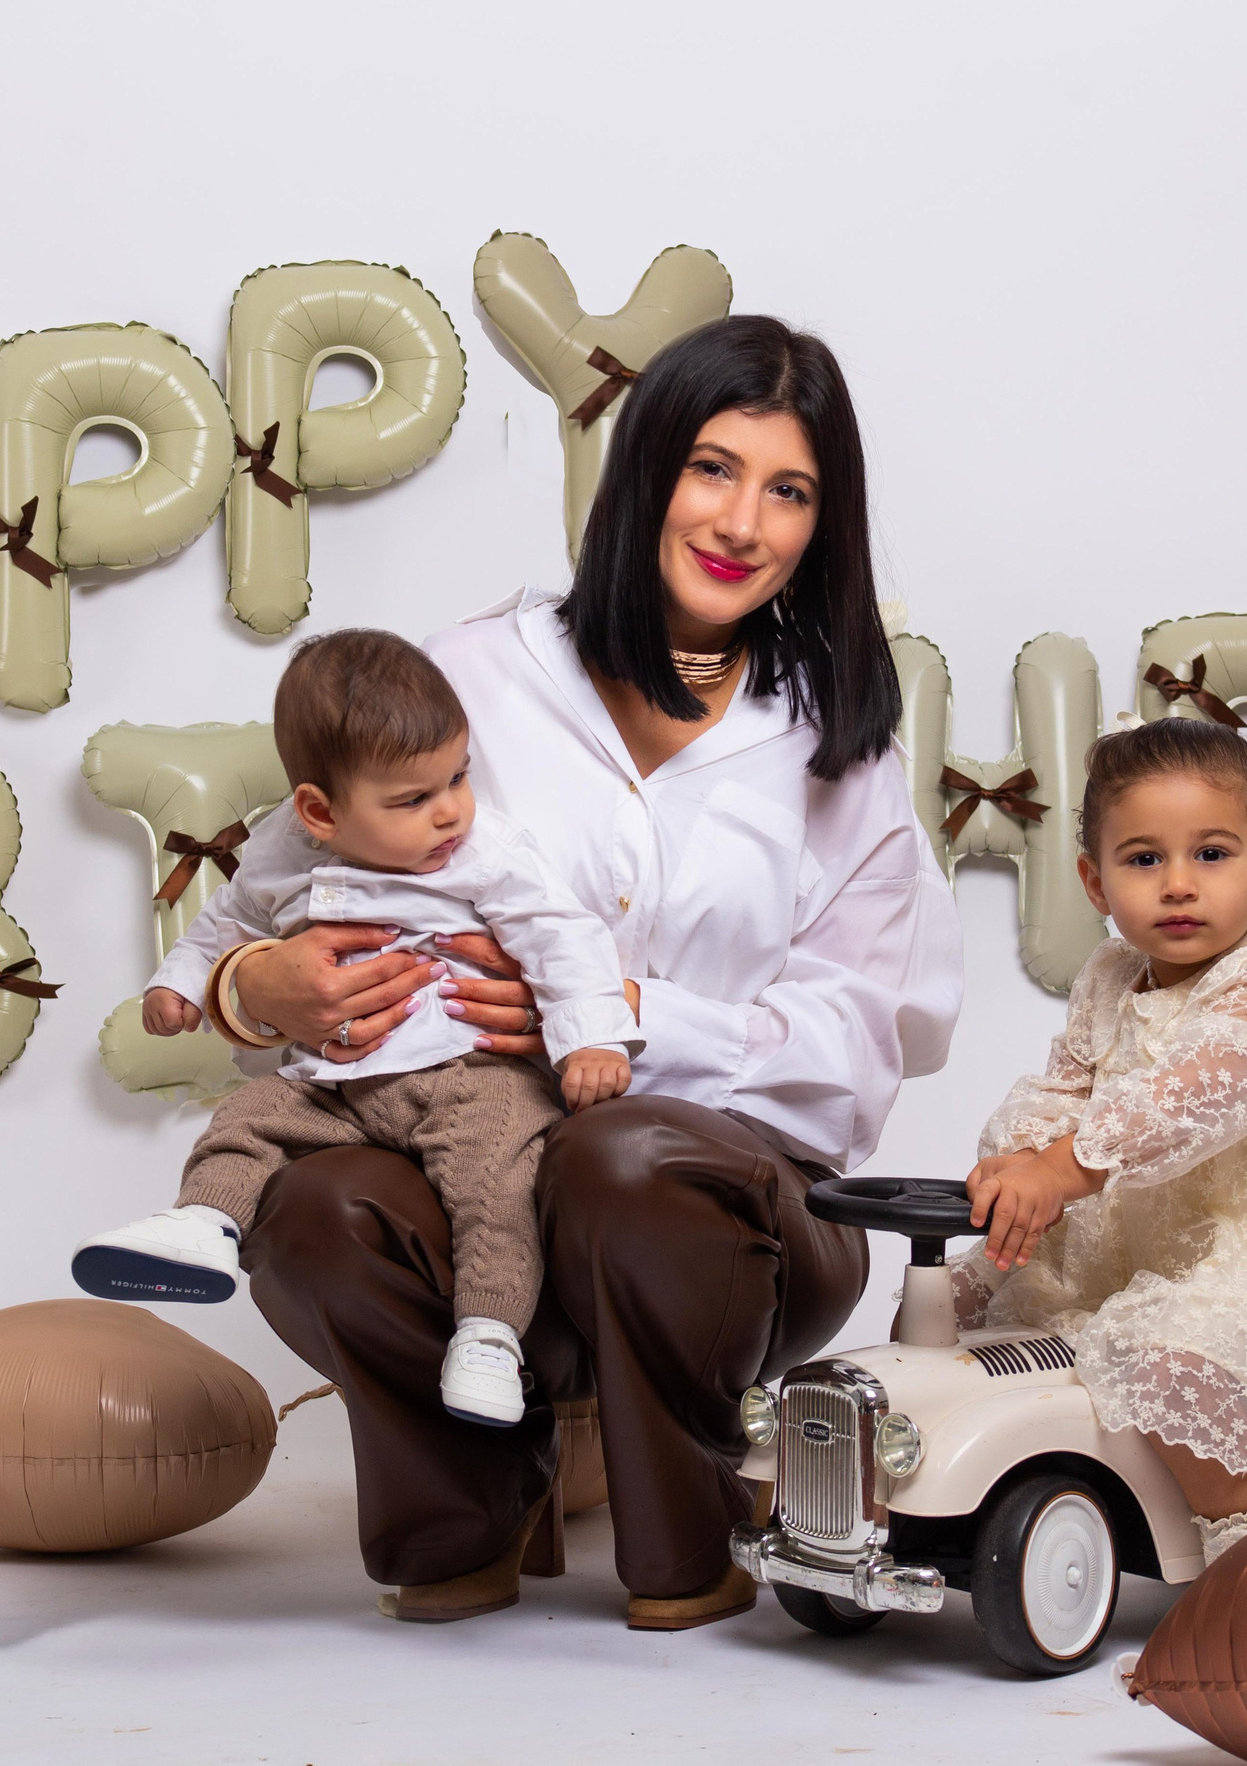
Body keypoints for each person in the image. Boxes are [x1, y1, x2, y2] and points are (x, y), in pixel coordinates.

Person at [211, 316, 962, 1627]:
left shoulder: (839, 743)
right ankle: (467, 1510)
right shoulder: (472, 676)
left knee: (620, 1157)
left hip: (738, 1227)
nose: (744, 520)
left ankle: (693, 1536)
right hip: (469, 1174)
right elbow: (287, 876)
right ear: (644, 472)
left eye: (790, 490)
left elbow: (854, 1056)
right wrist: (248, 989)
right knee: (311, 1205)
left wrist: (627, 1021)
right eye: (712, 468)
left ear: (822, 524)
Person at [71, 629, 640, 1427]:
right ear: (319, 812)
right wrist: (181, 986)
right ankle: (204, 1222)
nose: (450, 810)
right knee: (248, 1118)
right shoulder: (278, 848)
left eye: (458, 778)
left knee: (499, 1184)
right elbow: (223, 925)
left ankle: (488, 1337)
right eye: (413, 799)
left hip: (469, 1074)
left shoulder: (484, 851)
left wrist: (590, 1036)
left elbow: (562, 934)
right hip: (337, 1084)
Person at [953, 717, 1247, 1564]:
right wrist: (1019, 1158)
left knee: (1166, 1362)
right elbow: (1066, 1085)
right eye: (1145, 859)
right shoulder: (1111, 977)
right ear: (1095, 880)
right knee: (962, 1301)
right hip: (1133, 1244)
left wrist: (1064, 1165)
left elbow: (1181, 1104)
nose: (1179, 885)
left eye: (1213, 854)